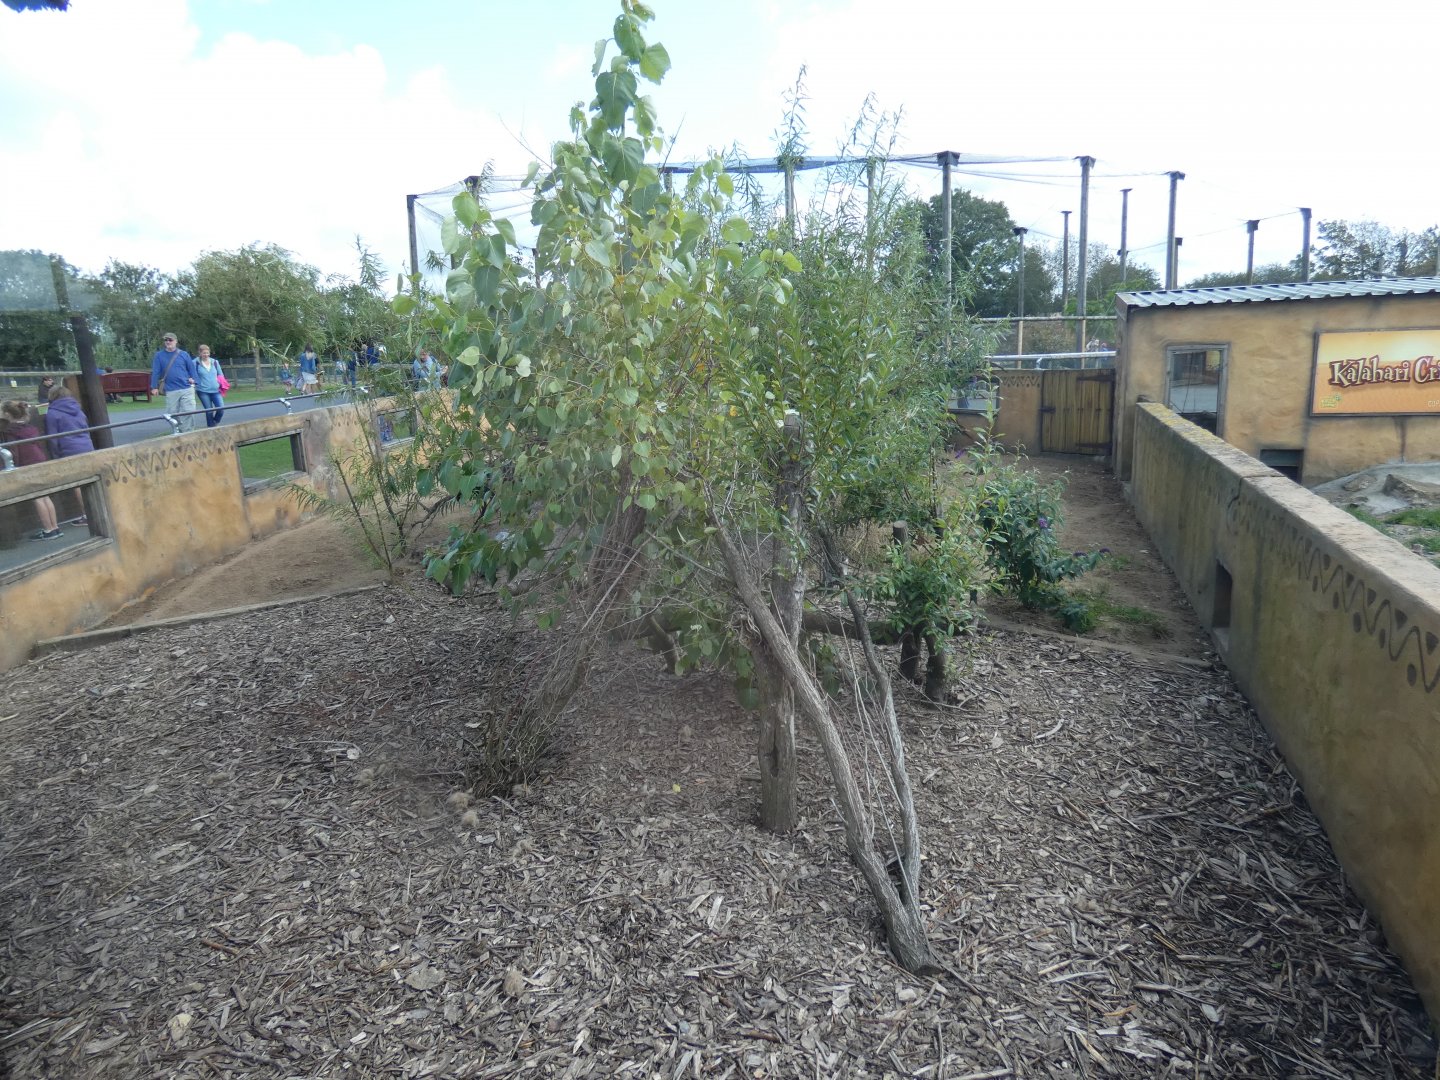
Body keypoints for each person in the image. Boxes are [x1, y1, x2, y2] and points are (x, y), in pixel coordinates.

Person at [1, 399, 61, 540]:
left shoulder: (11, 431)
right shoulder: (30, 429)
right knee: (45, 495)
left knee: (38, 497)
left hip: (27, 463)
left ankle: (48, 530)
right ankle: (55, 527)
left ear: (7, 414)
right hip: (39, 460)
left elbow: (14, 452)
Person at [150, 332, 198, 432]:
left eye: (170, 340)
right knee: (172, 413)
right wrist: (154, 387)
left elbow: (192, 369)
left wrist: (194, 380)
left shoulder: (184, 354)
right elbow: (156, 372)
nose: (168, 342)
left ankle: (188, 432)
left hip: (186, 388)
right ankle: (179, 430)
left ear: (175, 341)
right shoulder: (159, 355)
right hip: (171, 389)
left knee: (189, 411)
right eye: (166, 340)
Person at [44, 385, 95, 458]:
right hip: (87, 446)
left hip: (69, 451)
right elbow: (87, 430)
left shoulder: (52, 413)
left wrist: (55, 456)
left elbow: (53, 439)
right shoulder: (78, 409)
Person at [193, 344, 226, 428]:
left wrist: (221, 384)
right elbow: (192, 375)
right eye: (204, 353)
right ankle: (211, 428)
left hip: (215, 390)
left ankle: (215, 422)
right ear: (200, 353)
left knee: (221, 409)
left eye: (207, 353)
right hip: (203, 391)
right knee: (209, 411)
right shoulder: (195, 363)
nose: (206, 355)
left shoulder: (214, 362)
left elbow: (220, 375)